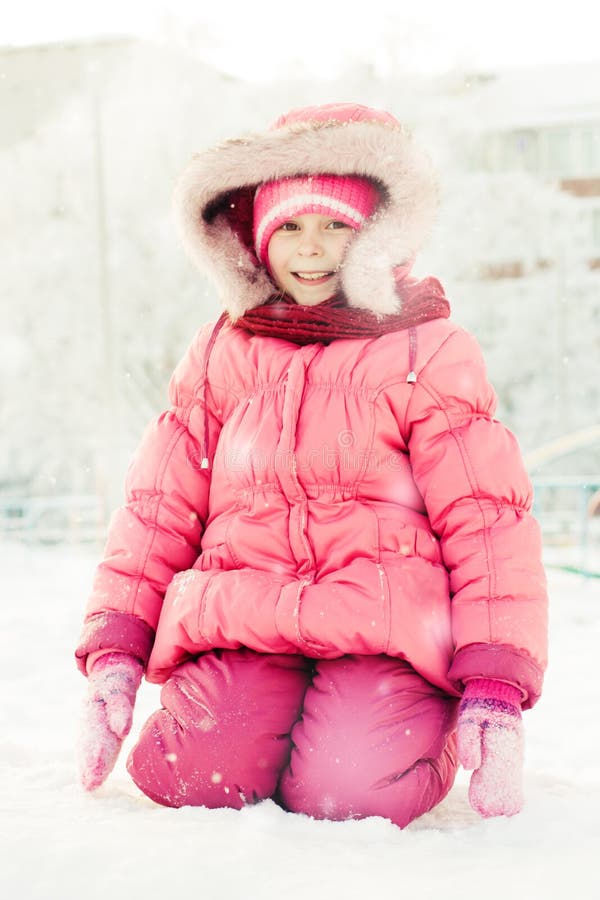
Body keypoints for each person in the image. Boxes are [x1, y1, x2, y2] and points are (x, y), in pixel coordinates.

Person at [75, 102, 548, 827]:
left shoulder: (427, 351)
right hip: (245, 620)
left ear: (378, 235)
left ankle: (398, 735)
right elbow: (159, 505)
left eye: (336, 225)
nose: (312, 249)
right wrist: (116, 649)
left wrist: (495, 684)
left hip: (383, 631)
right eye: (290, 226)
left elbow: (485, 517)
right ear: (257, 240)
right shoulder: (221, 354)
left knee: (352, 791)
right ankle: (257, 737)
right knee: (189, 774)